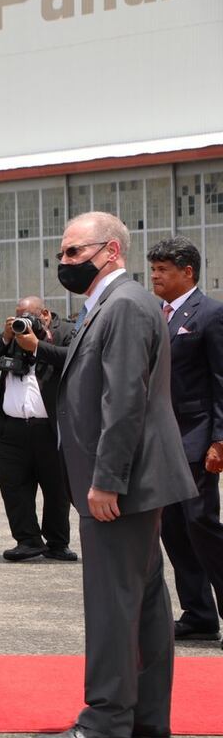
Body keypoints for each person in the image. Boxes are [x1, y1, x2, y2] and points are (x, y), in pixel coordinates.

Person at [32, 212, 196, 738]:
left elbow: (123, 402)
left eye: (75, 253)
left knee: (111, 605)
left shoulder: (123, 305)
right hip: (134, 483)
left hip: (120, 486)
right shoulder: (115, 304)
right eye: (62, 254)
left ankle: (105, 720)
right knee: (145, 602)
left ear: (112, 252)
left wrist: (106, 480)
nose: (65, 263)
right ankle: (148, 719)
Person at [149, 236, 223, 647]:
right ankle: (198, 614)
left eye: (163, 269)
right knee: (174, 529)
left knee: (202, 524)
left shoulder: (211, 314)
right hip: (161, 442)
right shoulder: (153, 315)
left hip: (196, 440)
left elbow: (221, 382)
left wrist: (220, 440)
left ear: (188, 272)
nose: (155, 276)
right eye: (154, 269)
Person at [0, 296, 75, 562]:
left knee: (56, 488)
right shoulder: (14, 336)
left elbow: (74, 358)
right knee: (13, 484)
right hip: (13, 429)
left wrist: (37, 346)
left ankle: (58, 543)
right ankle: (28, 540)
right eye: (18, 315)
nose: (23, 320)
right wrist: (6, 336)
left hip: (49, 428)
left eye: (28, 315)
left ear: (44, 313)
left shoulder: (65, 332)